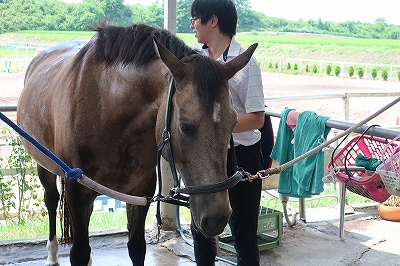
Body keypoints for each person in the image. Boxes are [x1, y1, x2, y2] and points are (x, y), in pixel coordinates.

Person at [189, 0, 266, 265]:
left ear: (213, 21)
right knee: (201, 231)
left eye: (195, 18)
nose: (192, 24)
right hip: (206, 158)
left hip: (242, 159)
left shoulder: (245, 62)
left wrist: (217, 127)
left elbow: (257, 119)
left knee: (243, 237)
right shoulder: (195, 59)